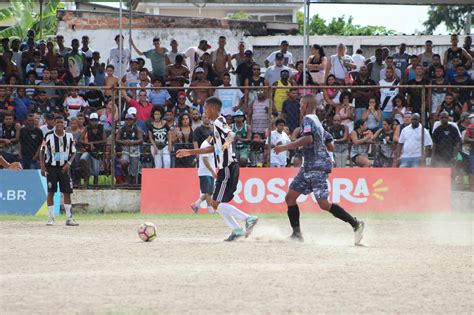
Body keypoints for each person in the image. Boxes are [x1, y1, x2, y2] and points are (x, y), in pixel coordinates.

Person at [273, 94, 364, 243]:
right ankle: (297, 234)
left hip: (316, 167)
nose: (300, 108)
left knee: (323, 204)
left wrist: (284, 147)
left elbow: (308, 139)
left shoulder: (308, 119)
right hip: (309, 166)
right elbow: (330, 144)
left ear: (307, 105)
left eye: (301, 104)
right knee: (290, 197)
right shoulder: (318, 123)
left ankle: (356, 224)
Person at [176, 96, 259, 241]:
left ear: (213, 109)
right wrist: (190, 152)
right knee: (217, 204)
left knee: (215, 203)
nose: (204, 112)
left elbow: (232, 134)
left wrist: (227, 143)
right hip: (226, 168)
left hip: (228, 167)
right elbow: (212, 149)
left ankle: (248, 219)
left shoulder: (220, 121)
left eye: (206, 108)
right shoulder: (216, 125)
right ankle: (237, 229)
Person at [39, 115, 78, 226]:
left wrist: (69, 163)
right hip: (51, 167)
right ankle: (51, 218)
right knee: (51, 192)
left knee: (67, 192)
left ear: (64, 124)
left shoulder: (69, 136)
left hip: (64, 168)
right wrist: (42, 165)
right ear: (55, 123)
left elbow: (74, 151)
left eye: (62, 122)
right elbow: (42, 150)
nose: (60, 124)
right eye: (58, 122)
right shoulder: (48, 136)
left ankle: (69, 218)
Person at [79, 112, 106, 187]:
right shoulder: (87, 128)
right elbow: (80, 139)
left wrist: (93, 143)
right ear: (90, 121)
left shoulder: (101, 127)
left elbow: (105, 140)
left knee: (96, 172)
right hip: (89, 150)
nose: (94, 122)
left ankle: (95, 186)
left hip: (98, 151)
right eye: (92, 120)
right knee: (83, 159)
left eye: (95, 120)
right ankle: (86, 178)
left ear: (98, 120)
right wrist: (89, 144)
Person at [191, 139, 217, 214]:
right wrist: (212, 171)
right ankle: (210, 210)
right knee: (208, 192)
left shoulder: (210, 145)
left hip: (209, 172)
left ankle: (195, 205)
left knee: (210, 191)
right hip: (205, 172)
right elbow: (205, 160)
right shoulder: (205, 145)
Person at [116, 113, 144, 184]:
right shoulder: (121, 129)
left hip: (135, 151)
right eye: (127, 119)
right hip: (125, 150)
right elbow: (116, 139)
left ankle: (132, 181)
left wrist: (132, 142)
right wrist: (124, 142)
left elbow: (141, 140)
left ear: (134, 120)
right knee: (123, 162)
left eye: (130, 119)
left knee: (134, 171)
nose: (128, 121)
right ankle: (127, 176)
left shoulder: (137, 129)